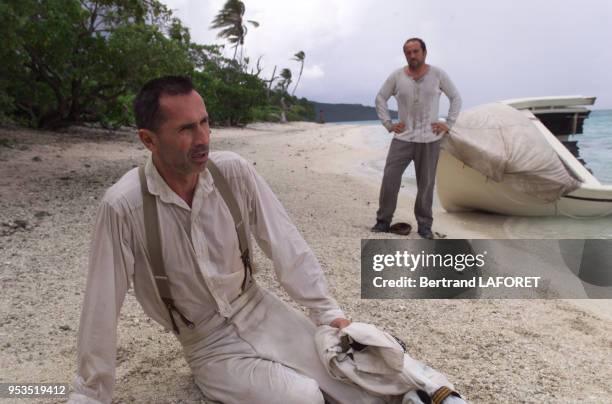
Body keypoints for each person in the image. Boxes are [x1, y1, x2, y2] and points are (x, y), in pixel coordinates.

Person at [68, 76, 382, 404]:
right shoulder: (123, 206)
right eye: (186, 129)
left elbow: (285, 243)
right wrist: (91, 394)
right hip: (206, 343)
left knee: (356, 378)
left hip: (260, 308)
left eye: (205, 123)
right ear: (149, 140)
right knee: (303, 398)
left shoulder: (233, 173)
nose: (203, 139)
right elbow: (101, 306)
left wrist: (326, 312)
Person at [372, 38, 462, 239]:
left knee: (426, 185)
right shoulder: (397, 76)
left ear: (424, 52)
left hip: (430, 139)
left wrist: (448, 124)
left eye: (416, 51)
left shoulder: (438, 74)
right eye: (408, 52)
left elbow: (456, 98)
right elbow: (380, 98)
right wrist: (388, 124)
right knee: (390, 180)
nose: (412, 55)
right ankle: (383, 222)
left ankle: (424, 226)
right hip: (403, 138)